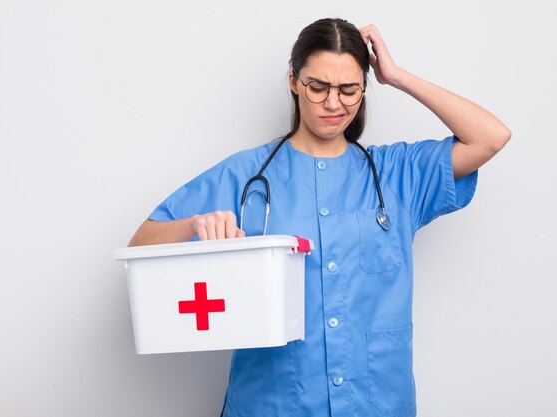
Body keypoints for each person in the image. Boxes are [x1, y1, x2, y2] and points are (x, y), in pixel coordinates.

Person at [129, 17, 511, 417]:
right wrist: (194, 225)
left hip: (376, 403)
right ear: (294, 81)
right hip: (272, 403)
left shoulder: (398, 175)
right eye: (318, 87)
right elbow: (142, 241)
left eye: (349, 89)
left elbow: (491, 136)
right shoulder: (246, 176)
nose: (334, 103)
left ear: (365, 88)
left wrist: (396, 77)